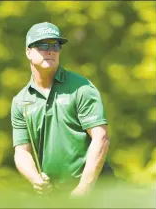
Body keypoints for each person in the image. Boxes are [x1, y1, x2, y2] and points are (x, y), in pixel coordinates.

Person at [11, 22, 114, 198]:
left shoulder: (81, 88)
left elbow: (101, 138)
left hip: (97, 191)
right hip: (54, 196)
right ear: (28, 52)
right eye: (43, 45)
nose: (50, 50)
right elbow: (22, 151)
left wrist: (84, 188)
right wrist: (35, 179)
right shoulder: (21, 101)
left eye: (55, 45)